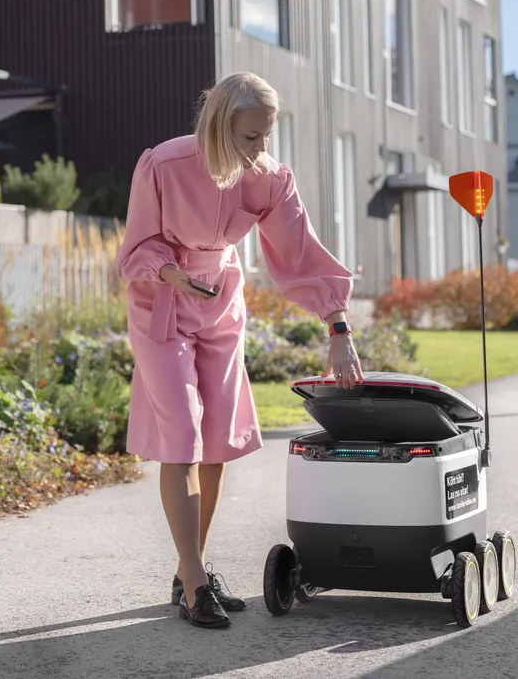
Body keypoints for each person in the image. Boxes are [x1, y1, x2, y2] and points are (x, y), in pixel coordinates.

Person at [115, 71, 364, 630]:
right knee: (181, 434)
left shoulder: (271, 178)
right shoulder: (163, 164)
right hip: (162, 300)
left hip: (222, 301)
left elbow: (301, 254)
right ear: (221, 128)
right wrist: (172, 274)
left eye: (267, 136)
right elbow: (134, 248)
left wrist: (338, 327)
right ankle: (197, 583)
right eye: (251, 138)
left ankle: (189, 572)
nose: (261, 150)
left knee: (218, 441)